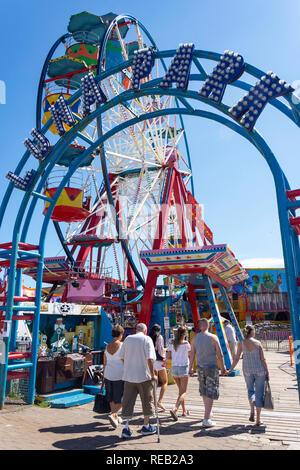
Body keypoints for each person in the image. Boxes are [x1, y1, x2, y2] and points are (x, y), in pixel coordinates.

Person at [119, 323, 157, 438]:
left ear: (136, 330)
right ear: (145, 331)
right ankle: (146, 426)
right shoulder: (147, 339)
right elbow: (150, 359)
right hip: (143, 376)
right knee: (146, 400)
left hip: (129, 376)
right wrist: (153, 374)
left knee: (128, 401)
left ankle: (126, 427)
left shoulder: (128, 339)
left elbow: (122, 357)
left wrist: (128, 367)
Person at [228, 324, 269, 426]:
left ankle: (252, 410)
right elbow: (263, 359)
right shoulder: (258, 343)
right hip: (259, 371)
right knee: (259, 394)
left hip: (247, 371)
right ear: (252, 332)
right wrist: (267, 371)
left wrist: (231, 369)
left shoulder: (241, 343)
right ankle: (258, 420)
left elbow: (236, 358)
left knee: (250, 391)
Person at [189, 318, 227, 428]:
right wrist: (223, 367)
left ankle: (208, 412)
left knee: (204, 390)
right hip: (211, 367)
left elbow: (192, 355)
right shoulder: (213, 337)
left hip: (200, 367)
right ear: (208, 326)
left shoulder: (195, 338)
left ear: (199, 326)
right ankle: (206, 419)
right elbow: (220, 354)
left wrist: (190, 368)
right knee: (210, 392)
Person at [103, 324, 125, 429]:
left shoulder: (107, 346)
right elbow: (125, 360)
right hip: (119, 374)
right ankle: (113, 414)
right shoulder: (122, 346)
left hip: (108, 373)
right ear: (121, 334)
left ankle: (115, 417)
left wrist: (103, 376)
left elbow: (105, 362)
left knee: (111, 397)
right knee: (123, 398)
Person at [167, 325, 191, 420]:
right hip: (183, 368)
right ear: (185, 334)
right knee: (184, 391)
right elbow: (190, 354)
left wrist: (176, 357)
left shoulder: (172, 343)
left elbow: (168, 357)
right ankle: (175, 409)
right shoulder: (186, 344)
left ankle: (184, 411)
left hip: (174, 369)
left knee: (181, 391)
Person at [149, 324, 168, 411]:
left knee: (155, 383)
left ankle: (155, 402)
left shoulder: (149, 337)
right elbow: (160, 350)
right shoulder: (159, 337)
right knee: (165, 381)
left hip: (152, 361)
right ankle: (159, 401)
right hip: (159, 361)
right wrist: (166, 349)